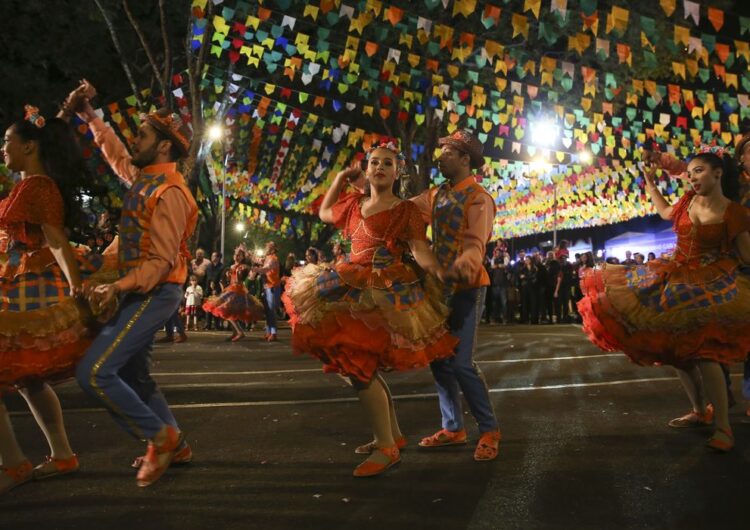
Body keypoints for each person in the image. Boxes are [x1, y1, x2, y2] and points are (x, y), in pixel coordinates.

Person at [283, 141, 457, 477]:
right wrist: (339, 178)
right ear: (366, 170)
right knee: (356, 368)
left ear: (398, 171)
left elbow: (420, 251)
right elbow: (323, 212)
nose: (379, 168)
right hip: (346, 284)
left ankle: (386, 446)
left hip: (383, 293)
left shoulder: (404, 210)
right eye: (374, 163)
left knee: (359, 368)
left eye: (387, 164)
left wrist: (442, 274)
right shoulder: (354, 205)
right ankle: (391, 436)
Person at [68, 81, 198, 487]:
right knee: (138, 379)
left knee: (95, 373)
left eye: (142, 134)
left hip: (155, 291)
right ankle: (175, 444)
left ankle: (158, 437)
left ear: (163, 147)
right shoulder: (145, 178)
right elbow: (116, 155)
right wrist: (91, 115)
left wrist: (117, 287)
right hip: (140, 288)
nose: (134, 140)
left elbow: (160, 263)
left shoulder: (171, 192)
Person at [578, 149, 750, 452]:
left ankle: (723, 427)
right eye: (691, 172)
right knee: (678, 351)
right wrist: (650, 184)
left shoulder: (734, 212)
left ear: (718, 173)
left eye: (699, 171)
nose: (692, 177)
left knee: (706, 352)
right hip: (677, 278)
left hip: (713, 283)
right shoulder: (687, 201)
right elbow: (664, 212)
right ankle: (700, 411)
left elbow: (747, 254)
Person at [0, 108, 105, 494]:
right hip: (18, 279)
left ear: (29, 146)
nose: (2, 148)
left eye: (7, 140)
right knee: (27, 379)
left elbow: (55, 237)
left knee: (18, 373)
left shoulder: (37, 187)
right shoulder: (27, 183)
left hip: (31, 286)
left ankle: (13, 465)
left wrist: (77, 288)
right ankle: (62, 455)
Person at [410, 129, 502, 461]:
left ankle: (489, 430)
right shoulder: (437, 194)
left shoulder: (478, 197)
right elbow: (405, 212)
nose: (441, 157)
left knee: (461, 364)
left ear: (466, 159)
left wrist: (465, 263)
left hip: (469, 286)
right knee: (439, 361)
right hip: (439, 288)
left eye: (448, 152)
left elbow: (476, 243)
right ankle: (453, 428)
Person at [202, 246, 264, 342]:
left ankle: (239, 332)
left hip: (238, 291)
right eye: (235, 254)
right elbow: (226, 280)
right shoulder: (231, 266)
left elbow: (250, 277)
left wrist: (248, 270)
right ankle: (235, 332)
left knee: (227, 312)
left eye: (239, 255)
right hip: (230, 289)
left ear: (243, 257)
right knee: (229, 312)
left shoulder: (244, 267)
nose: (236, 256)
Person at [253, 241, 281, 342]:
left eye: (268, 246)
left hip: (273, 287)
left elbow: (266, 269)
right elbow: (257, 260)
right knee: (268, 311)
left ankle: (273, 333)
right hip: (267, 287)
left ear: (273, 249)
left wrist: (256, 269)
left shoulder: (273, 258)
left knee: (271, 311)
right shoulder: (267, 258)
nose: (266, 247)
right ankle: (269, 332)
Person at [204, 251, 224, 330]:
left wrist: (216, 288)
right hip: (209, 289)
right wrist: (207, 288)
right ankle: (207, 324)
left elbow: (221, 279)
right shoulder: (209, 266)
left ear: (219, 258)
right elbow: (207, 277)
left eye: (214, 256)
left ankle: (217, 325)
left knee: (216, 307)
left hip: (217, 289)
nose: (212, 257)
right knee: (208, 307)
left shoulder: (222, 267)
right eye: (212, 256)